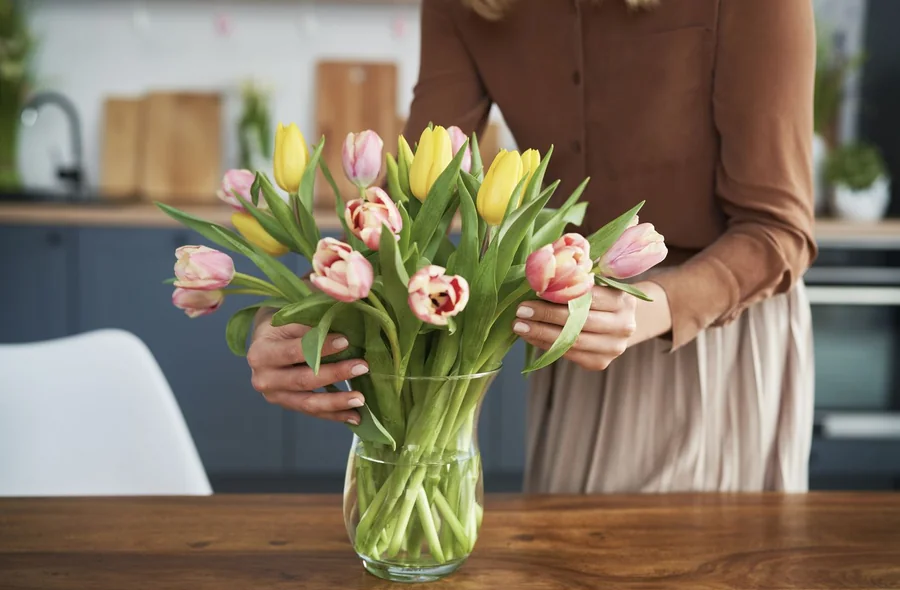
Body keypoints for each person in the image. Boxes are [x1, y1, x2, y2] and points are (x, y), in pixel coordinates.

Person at [248, 0, 817, 493]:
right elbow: (406, 207)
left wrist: (651, 309)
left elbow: (778, 231)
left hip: (714, 342)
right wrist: (300, 314)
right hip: (567, 340)